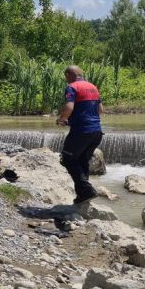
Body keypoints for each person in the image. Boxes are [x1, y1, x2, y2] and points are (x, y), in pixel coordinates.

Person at [56, 66, 104, 204]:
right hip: (96, 132)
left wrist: (62, 119)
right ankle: (82, 196)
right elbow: (100, 110)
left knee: (67, 159)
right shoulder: (93, 87)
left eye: (65, 76)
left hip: (81, 132)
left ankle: (87, 190)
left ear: (68, 75)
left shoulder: (72, 87)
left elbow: (69, 107)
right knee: (82, 161)